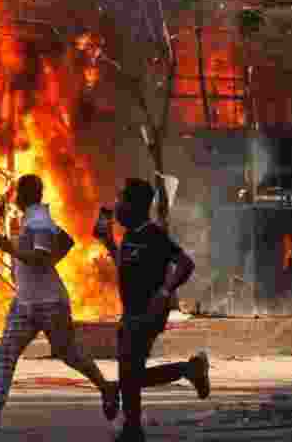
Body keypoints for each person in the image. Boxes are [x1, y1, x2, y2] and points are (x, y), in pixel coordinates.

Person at [0, 174, 119, 431]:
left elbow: (40, 258)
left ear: (24, 196)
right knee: (7, 352)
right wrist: (44, 261)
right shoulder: (35, 219)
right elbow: (66, 242)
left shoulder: (39, 222)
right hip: (26, 302)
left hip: (49, 303)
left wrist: (8, 247)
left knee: (68, 353)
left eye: (17, 194)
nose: (14, 198)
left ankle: (107, 388)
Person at [97, 178, 210, 442]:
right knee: (131, 374)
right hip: (131, 312)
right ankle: (188, 370)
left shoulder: (154, 235)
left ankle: (132, 428)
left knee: (128, 371)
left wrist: (164, 292)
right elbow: (125, 265)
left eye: (122, 200)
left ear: (135, 206)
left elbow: (185, 263)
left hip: (148, 313)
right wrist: (108, 243)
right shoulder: (129, 236)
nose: (117, 206)